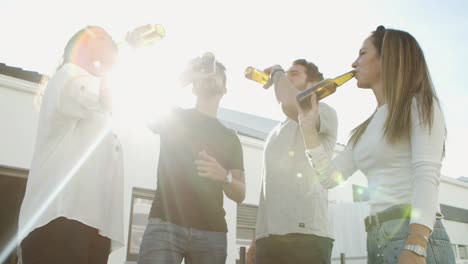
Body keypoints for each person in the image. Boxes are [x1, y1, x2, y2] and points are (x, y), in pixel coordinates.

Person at [299, 26, 455, 263]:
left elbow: (427, 174)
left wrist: (416, 244)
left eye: (362, 53)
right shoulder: (364, 129)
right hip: (377, 238)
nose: (354, 63)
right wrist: (308, 128)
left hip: (413, 235)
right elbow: (329, 178)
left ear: (388, 57)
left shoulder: (418, 103)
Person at [18, 26, 124, 264]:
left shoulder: (100, 110)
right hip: (59, 221)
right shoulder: (67, 76)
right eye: (104, 37)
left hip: (93, 227)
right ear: (85, 43)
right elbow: (100, 95)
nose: (111, 43)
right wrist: (125, 50)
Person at [138, 53, 246, 264]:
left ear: (225, 89)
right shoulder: (174, 116)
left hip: (211, 234)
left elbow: (241, 193)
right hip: (165, 225)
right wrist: (187, 75)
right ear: (193, 86)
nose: (210, 76)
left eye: (217, 75)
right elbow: (147, 104)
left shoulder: (230, 138)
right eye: (206, 74)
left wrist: (223, 176)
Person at [248, 59, 338, 264]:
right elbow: (269, 191)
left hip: (307, 236)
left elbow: (292, 104)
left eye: (294, 73)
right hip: (269, 239)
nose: (287, 77)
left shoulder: (324, 112)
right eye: (286, 73)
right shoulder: (274, 132)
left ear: (313, 83)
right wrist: (258, 236)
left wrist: (278, 72)